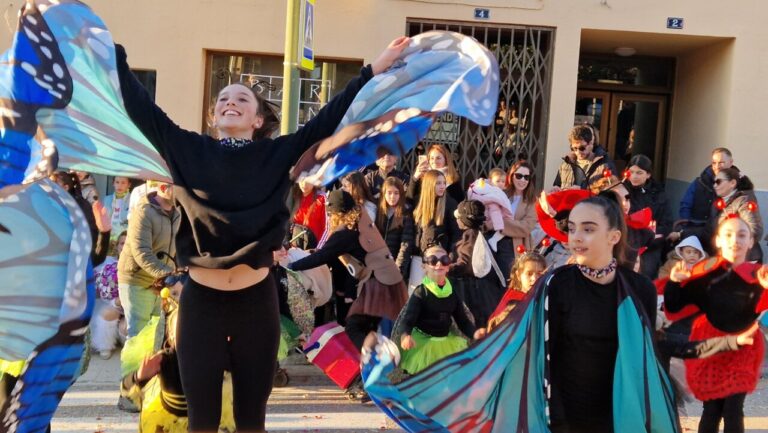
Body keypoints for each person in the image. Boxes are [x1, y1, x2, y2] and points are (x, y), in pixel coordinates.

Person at [116, 36, 408, 431]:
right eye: (223, 99)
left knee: (251, 421)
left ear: (257, 119)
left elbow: (331, 116)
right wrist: (113, 55)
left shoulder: (277, 154)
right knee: (200, 422)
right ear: (213, 116)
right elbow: (141, 107)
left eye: (242, 99)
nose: (230, 102)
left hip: (256, 303)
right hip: (200, 305)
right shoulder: (185, 149)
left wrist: (374, 69)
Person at [547, 196, 659, 432]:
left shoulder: (640, 290)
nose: (576, 236)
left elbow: (647, 360)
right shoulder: (558, 285)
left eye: (588, 229)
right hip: (568, 418)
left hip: (623, 417)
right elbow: (547, 358)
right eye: (572, 228)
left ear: (614, 237)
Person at [664, 213, 768, 433]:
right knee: (711, 408)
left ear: (751, 241)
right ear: (719, 240)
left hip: (743, 346)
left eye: (742, 235)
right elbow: (673, 308)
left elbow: (761, 310)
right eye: (729, 234)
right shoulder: (704, 272)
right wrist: (674, 283)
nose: (735, 240)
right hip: (710, 345)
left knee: (733, 408)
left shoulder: (760, 274)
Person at [289, 190, 407, 349]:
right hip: (389, 285)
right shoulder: (361, 222)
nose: (329, 218)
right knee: (369, 329)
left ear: (337, 213)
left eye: (330, 214)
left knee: (353, 327)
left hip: (376, 288)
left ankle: (372, 360)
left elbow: (322, 257)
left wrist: (292, 266)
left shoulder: (344, 233)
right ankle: (373, 364)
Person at [398, 244, 485, 374]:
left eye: (444, 260)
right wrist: (405, 336)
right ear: (424, 267)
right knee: (425, 377)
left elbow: (462, 321)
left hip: (446, 342)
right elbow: (408, 320)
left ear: (448, 266)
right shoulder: (421, 292)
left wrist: (474, 333)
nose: (439, 264)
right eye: (433, 260)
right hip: (424, 344)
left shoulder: (452, 292)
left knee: (451, 376)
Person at [118, 181, 180, 339]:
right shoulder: (143, 211)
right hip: (137, 280)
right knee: (138, 337)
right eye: (179, 188)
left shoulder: (178, 212)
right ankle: (136, 365)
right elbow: (142, 252)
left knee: (158, 336)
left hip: (161, 282)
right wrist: (171, 276)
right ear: (164, 188)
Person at [675, 167, 762, 261]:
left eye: (718, 182)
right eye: (714, 182)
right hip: (724, 257)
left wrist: (730, 241)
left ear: (732, 183)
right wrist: (682, 234)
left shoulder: (744, 201)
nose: (714, 186)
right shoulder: (719, 202)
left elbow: (755, 230)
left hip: (745, 259)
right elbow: (708, 232)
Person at [448, 200, 506, 329]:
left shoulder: (469, 237)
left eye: (458, 217)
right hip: (482, 290)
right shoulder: (478, 235)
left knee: (472, 326)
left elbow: (464, 263)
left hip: (470, 291)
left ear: (464, 220)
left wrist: (446, 268)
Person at [623, 154, 673, 277]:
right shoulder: (622, 190)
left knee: (645, 274)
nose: (634, 176)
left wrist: (651, 236)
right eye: (632, 172)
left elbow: (667, 224)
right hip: (626, 243)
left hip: (650, 246)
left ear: (648, 174)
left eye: (639, 173)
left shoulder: (659, 195)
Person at [410, 170, 461, 290]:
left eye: (444, 183)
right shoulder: (418, 201)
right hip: (418, 256)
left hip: (438, 258)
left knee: (435, 292)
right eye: (438, 183)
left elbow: (456, 233)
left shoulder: (450, 203)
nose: (442, 186)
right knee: (414, 291)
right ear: (429, 184)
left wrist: (450, 257)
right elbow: (407, 198)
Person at [91, 231, 128, 360]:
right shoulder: (107, 263)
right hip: (113, 305)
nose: (125, 246)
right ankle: (104, 346)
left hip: (133, 307)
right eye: (122, 243)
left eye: (128, 243)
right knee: (108, 313)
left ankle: (124, 341)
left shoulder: (141, 263)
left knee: (126, 328)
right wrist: (116, 302)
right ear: (117, 246)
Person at [486, 250, 546, 331]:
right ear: (518, 275)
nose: (534, 278)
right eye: (529, 273)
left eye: (539, 273)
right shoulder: (514, 301)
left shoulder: (540, 295)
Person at [678, 147, 734, 225]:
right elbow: (685, 206)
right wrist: (686, 227)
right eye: (714, 163)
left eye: (721, 162)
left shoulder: (738, 186)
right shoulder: (699, 183)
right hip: (694, 231)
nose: (717, 166)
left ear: (731, 162)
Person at [552, 124, 615, 190]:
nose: (578, 152)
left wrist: (582, 189)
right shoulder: (566, 164)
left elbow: (611, 190)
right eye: (574, 148)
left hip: (590, 200)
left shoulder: (604, 165)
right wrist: (555, 189)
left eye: (582, 148)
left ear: (591, 143)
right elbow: (557, 186)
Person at [375, 177, 414, 281]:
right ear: (384, 194)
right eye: (389, 193)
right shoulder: (378, 211)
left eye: (396, 193)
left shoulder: (405, 213)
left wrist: (399, 267)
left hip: (395, 262)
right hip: (376, 263)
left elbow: (406, 243)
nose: (392, 197)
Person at [501, 160, 538, 253]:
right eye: (519, 176)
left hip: (516, 246)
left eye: (526, 177)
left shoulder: (532, 201)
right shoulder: (502, 195)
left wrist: (499, 224)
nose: (522, 180)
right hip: (495, 243)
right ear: (512, 176)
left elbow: (526, 227)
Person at [291, 179, 326, 249]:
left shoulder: (322, 198)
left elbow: (326, 228)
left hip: (313, 248)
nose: (304, 184)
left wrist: (318, 250)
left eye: (308, 180)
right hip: (294, 247)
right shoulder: (293, 196)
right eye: (302, 179)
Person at [103, 176, 132, 255]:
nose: (120, 186)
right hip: (108, 240)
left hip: (123, 241)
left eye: (123, 183)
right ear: (113, 183)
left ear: (129, 184)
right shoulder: (106, 199)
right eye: (117, 182)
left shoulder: (133, 200)